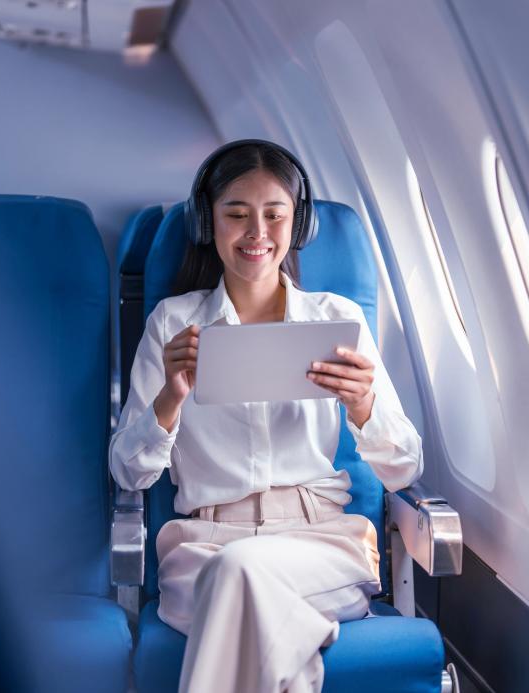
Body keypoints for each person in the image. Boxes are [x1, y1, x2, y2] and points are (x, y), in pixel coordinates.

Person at [109, 140, 423, 693]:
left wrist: (362, 406)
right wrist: (171, 398)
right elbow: (128, 474)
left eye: (274, 215)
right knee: (239, 575)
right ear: (209, 222)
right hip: (204, 544)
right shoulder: (172, 324)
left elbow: (404, 469)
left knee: (241, 579)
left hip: (321, 542)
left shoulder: (336, 319)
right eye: (237, 214)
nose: (257, 233)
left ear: (295, 226)